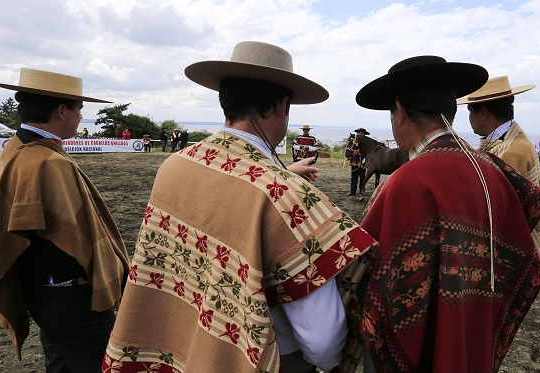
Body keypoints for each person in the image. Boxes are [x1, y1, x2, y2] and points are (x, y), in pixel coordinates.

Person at [102, 41, 377, 373]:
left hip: (177, 339)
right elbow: (320, 336)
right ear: (282, 106)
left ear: (226, 101)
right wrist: (330, 363)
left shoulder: (173, 167)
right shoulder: (284, 195)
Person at [341, 56, 540, 373]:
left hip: (417, 346)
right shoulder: (494, 170)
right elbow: (525, 256)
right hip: (476, 326)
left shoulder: (405, 183)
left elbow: (365, 276)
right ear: (451, 109)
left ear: (398, 112)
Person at [0, 68, 130, 372]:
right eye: (79, 108)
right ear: (62, 110)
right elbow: (66, 239)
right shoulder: (48, 161)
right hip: (71, 299)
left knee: (61, 365)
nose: (81, 116)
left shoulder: (13, 149)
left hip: (43, 295)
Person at [458, 75, 540, 297]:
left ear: (483, 112)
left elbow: (497, 216)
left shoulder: (511, 152)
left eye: (469, 111)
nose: (468, 118)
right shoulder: (510, 143)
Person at [347, 128, 368, 196]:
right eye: (359, 133)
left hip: (362, 161)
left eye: (362, 133)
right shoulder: (354, 141)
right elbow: (350, 148)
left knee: (362, 177)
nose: (360, 134)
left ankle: (361, 191)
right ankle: (352, 191)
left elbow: (367, 151)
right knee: (354, 177)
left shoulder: (366, 142)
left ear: (364, 134)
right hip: (354, 160)